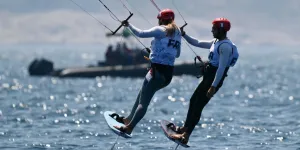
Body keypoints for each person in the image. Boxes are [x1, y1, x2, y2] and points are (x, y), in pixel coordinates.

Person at [169, 17, 239, 144]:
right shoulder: (216, 42)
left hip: (214, 79)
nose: (212, 30)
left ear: (221, 30)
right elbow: (197, 42)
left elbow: (222, 68)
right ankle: (185, 128)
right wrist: (184, 35)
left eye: (214, 28)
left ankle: (186, 135)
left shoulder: (225, 47)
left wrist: (213, 86)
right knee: (193, 101)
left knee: (198, 106)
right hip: (209, 77)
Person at [112, 9, 182, 135]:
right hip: (167, 76)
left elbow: (141, 33)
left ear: (161, 19)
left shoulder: (160, 30)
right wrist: (159, 51)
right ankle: (128, 119)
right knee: (142, 94)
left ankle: (129, 128)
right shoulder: (177, 32)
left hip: (156, 73)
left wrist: (128, 25)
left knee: (143, 103)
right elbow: (177, 54)